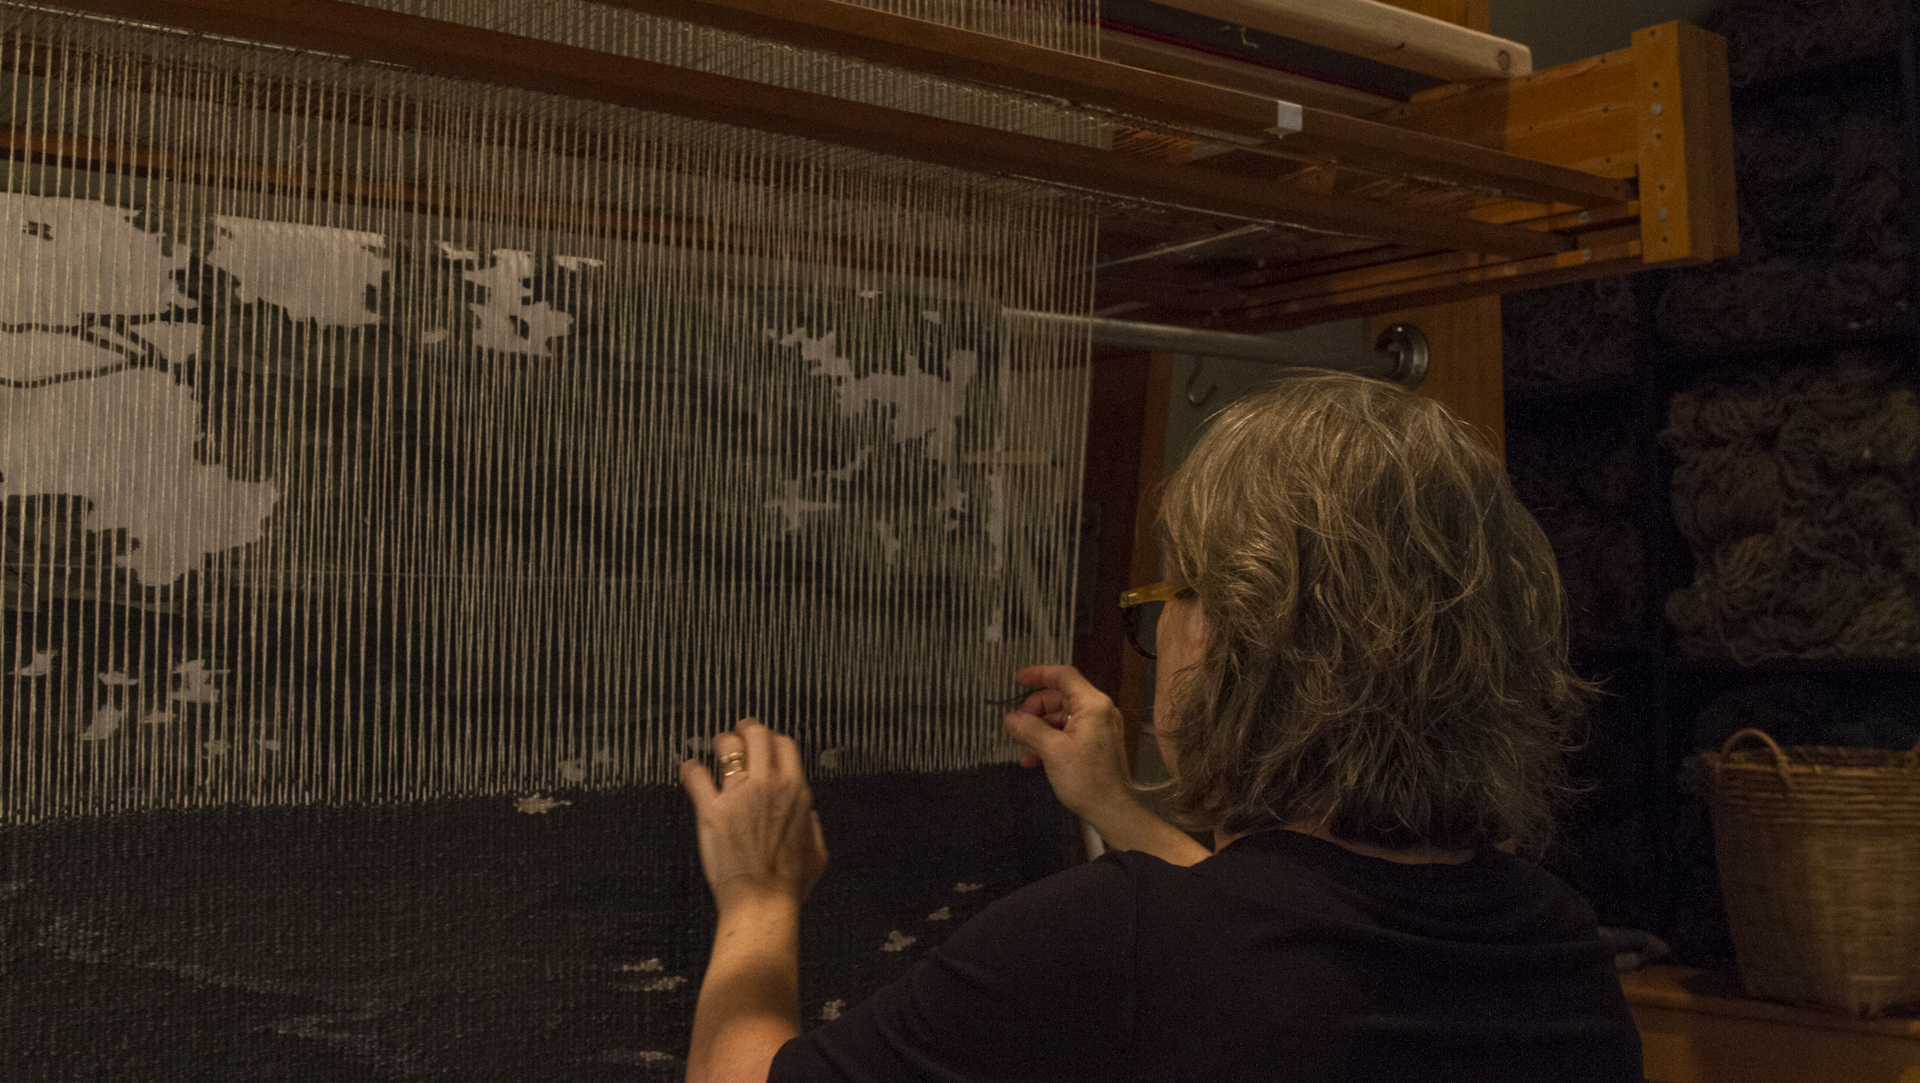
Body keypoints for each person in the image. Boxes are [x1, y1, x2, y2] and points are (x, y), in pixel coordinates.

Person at [678, 369, 1645, 1083]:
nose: (1162, 628)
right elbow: (1287, 938)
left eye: (1173, 593)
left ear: (1235, 630)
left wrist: (760, 894)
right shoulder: (1554, 946)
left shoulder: (1109, 941)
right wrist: (1118, 807)